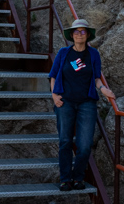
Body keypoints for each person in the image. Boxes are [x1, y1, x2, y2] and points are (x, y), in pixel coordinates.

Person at [49, 19, 115, 191]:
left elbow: (96, 78)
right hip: (65, 102)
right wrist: (54, 96)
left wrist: (103, 90)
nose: (79, 34)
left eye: (83, 31)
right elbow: (54, 75)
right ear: (71, 35)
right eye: (76, 32)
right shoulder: (63, 53)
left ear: (87, 35)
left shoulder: (93, 54)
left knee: (84, 145)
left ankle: (78, 177)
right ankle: (65, 178)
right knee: (65, 141)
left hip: (87, 103)